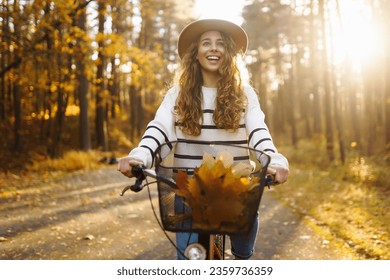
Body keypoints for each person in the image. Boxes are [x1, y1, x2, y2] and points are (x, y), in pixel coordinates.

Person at [117, 19, 289, 260]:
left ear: (229, 52)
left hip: (234, 189)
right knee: (190, 263)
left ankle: (241, 259)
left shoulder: (244, 93)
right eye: (206, 43)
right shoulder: (177, 93)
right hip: (188, 189)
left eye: (221, 43)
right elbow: (160, 128)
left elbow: (258, 131)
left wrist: (274, 160)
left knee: (243, 254)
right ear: (195, 53)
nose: (214, 48)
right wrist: (140, 155)